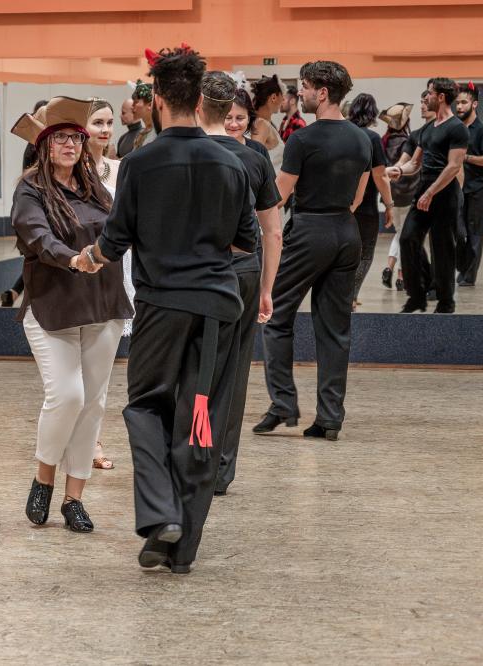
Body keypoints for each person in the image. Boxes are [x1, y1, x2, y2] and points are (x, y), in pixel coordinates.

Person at [84, 45, 256, 573]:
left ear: (157, 98)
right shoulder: (232, 162)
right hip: (217, 308)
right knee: (200, 419)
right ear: (201, 99)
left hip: (162, 305)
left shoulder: (140, 163)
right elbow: (247, 241)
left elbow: (114, 242)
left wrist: (88, 258)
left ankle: (160, 515)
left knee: (145, 407)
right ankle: (183, 551)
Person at [9, 96, 132, 533]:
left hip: (103, 304)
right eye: (59, 138)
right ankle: (44, 477)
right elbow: (37, 237)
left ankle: (73, 498)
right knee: (68, 395)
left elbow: (121, 229)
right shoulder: (30, 189)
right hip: (52, 306)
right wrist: (74, 259)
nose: (69, 145)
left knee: (93, 403)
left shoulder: (96, 186)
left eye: (75, 138)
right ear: (44, 145)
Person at [255, 60, 372, 442]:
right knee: (336, 329)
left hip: (310, 231)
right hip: (347, 232)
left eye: (304, 87)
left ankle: (283, 404)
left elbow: (278, 195)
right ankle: (330, 417)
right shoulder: (362, 139)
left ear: (322, 92)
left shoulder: (303, 139)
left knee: (275, 314)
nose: (300, 94)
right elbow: (357, 198)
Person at [197, 71, 282, 496]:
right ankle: (215, 465)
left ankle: (204, 461)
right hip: (237, 272)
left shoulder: (188, 151)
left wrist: (267, 287)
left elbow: (273, 232)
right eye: (228, 116)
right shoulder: (252, 158)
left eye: (241, 118)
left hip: (204, 273)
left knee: (204, 370)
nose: (234, 124)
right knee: (228, 372)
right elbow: (272, 230)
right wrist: (265, 287)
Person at [387, 78, 468, 314]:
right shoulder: (427, 130)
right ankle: (417, 295)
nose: (426, 97)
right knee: (407, 238)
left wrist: (431, 192)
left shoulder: (457, 128)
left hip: (444, 193)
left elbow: (454, 166)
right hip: (424, 190)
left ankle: (446, 302)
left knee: (443, 249)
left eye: (430, 93)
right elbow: (415, 163)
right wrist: (398, 170)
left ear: (440, 97)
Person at [84, 98, 124, 471]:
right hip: (78, 272)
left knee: (101, 369)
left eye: (110, 123)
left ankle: (91, 440)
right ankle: (72, 437)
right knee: (71, 374)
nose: (106, 129)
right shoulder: (69, 170)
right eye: (98, 122)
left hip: (114, 273)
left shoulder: (120, 169)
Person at [346, 93, 395, 309]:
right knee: (365, 254)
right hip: (365, 207)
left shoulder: (342, 134)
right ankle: (351, 296)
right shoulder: (372, 138)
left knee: (342, 254)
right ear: (372, 114)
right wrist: (389, 205)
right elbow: (379, 175)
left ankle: (343, 296)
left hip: (340, 205)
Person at [1, 100, 48, 307]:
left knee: (36, 257)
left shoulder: (32, 145)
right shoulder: (38, 146)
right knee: (38, 257)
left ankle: (15, 292)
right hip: (39, 208)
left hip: (31, 208)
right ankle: (24, 298)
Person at [454, 82, 483, 287]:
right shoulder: (456, 128)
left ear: (474, 104)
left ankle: (469, 276)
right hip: (458, 189)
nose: (459, 106)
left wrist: (466, 157)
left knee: (475, 234)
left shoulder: (481, 130)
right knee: (458, 232)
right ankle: (463, 268)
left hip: (477, 190)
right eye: (457, 103)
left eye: (464, 102)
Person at [378, 102, 416, 291]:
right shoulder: (408, 142)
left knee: (400, 232)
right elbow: (412, 168)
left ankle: (390, 268)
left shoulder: (384, 141)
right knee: (405, 235)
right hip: (407, 194)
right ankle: (401, 276)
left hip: (391, 195)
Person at [250, 74, 285, 172]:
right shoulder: (261, 124)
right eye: (282, 95)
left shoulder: (265, 123)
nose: (283, 100)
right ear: (273, 97)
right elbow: (254, 161)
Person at [130, 80, 156, 151]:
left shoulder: (157, 132)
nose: (132, 106)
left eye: (136, 102)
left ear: (150, 105)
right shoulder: (142, 132)